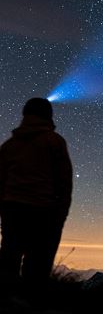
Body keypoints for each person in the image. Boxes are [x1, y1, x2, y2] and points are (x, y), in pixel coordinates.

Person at [0, 98, 72, 281]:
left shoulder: (9, 146)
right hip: (44, 211)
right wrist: (60, 215)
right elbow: (64, 182)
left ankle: (9, 304)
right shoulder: (54, 142)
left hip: (12, 210)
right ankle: (32, 304)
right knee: (38, 265)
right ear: (48, 116)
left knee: (9, 260)